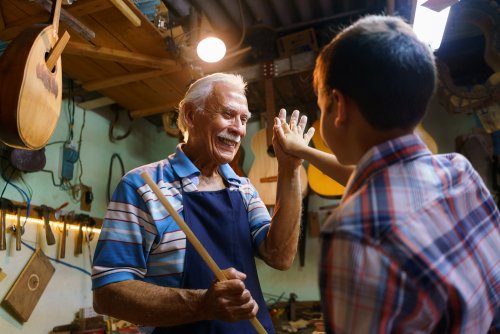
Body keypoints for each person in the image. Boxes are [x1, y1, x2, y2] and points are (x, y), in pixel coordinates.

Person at [273, 15, 500, 333]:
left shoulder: (353, 232)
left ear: (339, 106)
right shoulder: (459, 172)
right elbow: (378, 179)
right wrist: (302, 151)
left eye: (321, 106)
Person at [92, 73, 308, 333]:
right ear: (191, 116)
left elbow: (280, 256)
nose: (239, 129)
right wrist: (202, 304)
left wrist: (290, 168)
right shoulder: (142, 186)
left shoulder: (243, 188)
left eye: (243, 120)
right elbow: (107, 292)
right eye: (228, 114)